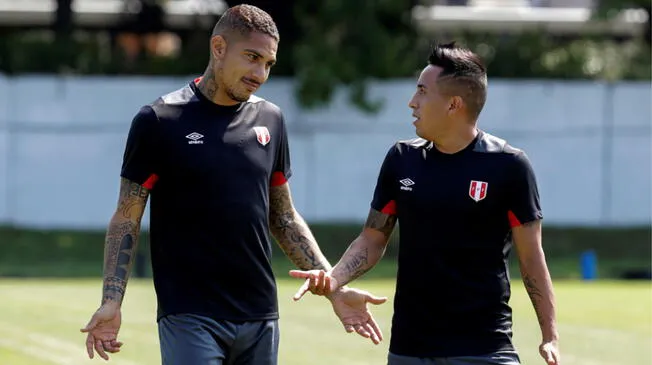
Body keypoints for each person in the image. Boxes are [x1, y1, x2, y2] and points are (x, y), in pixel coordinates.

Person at [80, 4, 387, 364]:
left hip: (260, 314)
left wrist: (335, 286)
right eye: (252, 57)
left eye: (269, 64)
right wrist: (111, 301)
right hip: (189, 313)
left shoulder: (271, 120)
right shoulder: (159, 120)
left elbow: (283, 216)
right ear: (219, 48)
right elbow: (126, 217)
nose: (260, 73)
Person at [290, 42, 561, 365]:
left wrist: (550, 336)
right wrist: (336, 278)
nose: (412, 102)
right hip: (410, 350)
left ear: (453, 105)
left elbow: (532, 257)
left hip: (484, 349)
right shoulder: (401, 159)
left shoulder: (509, 165)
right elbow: (373, 238)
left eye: (422, 92)